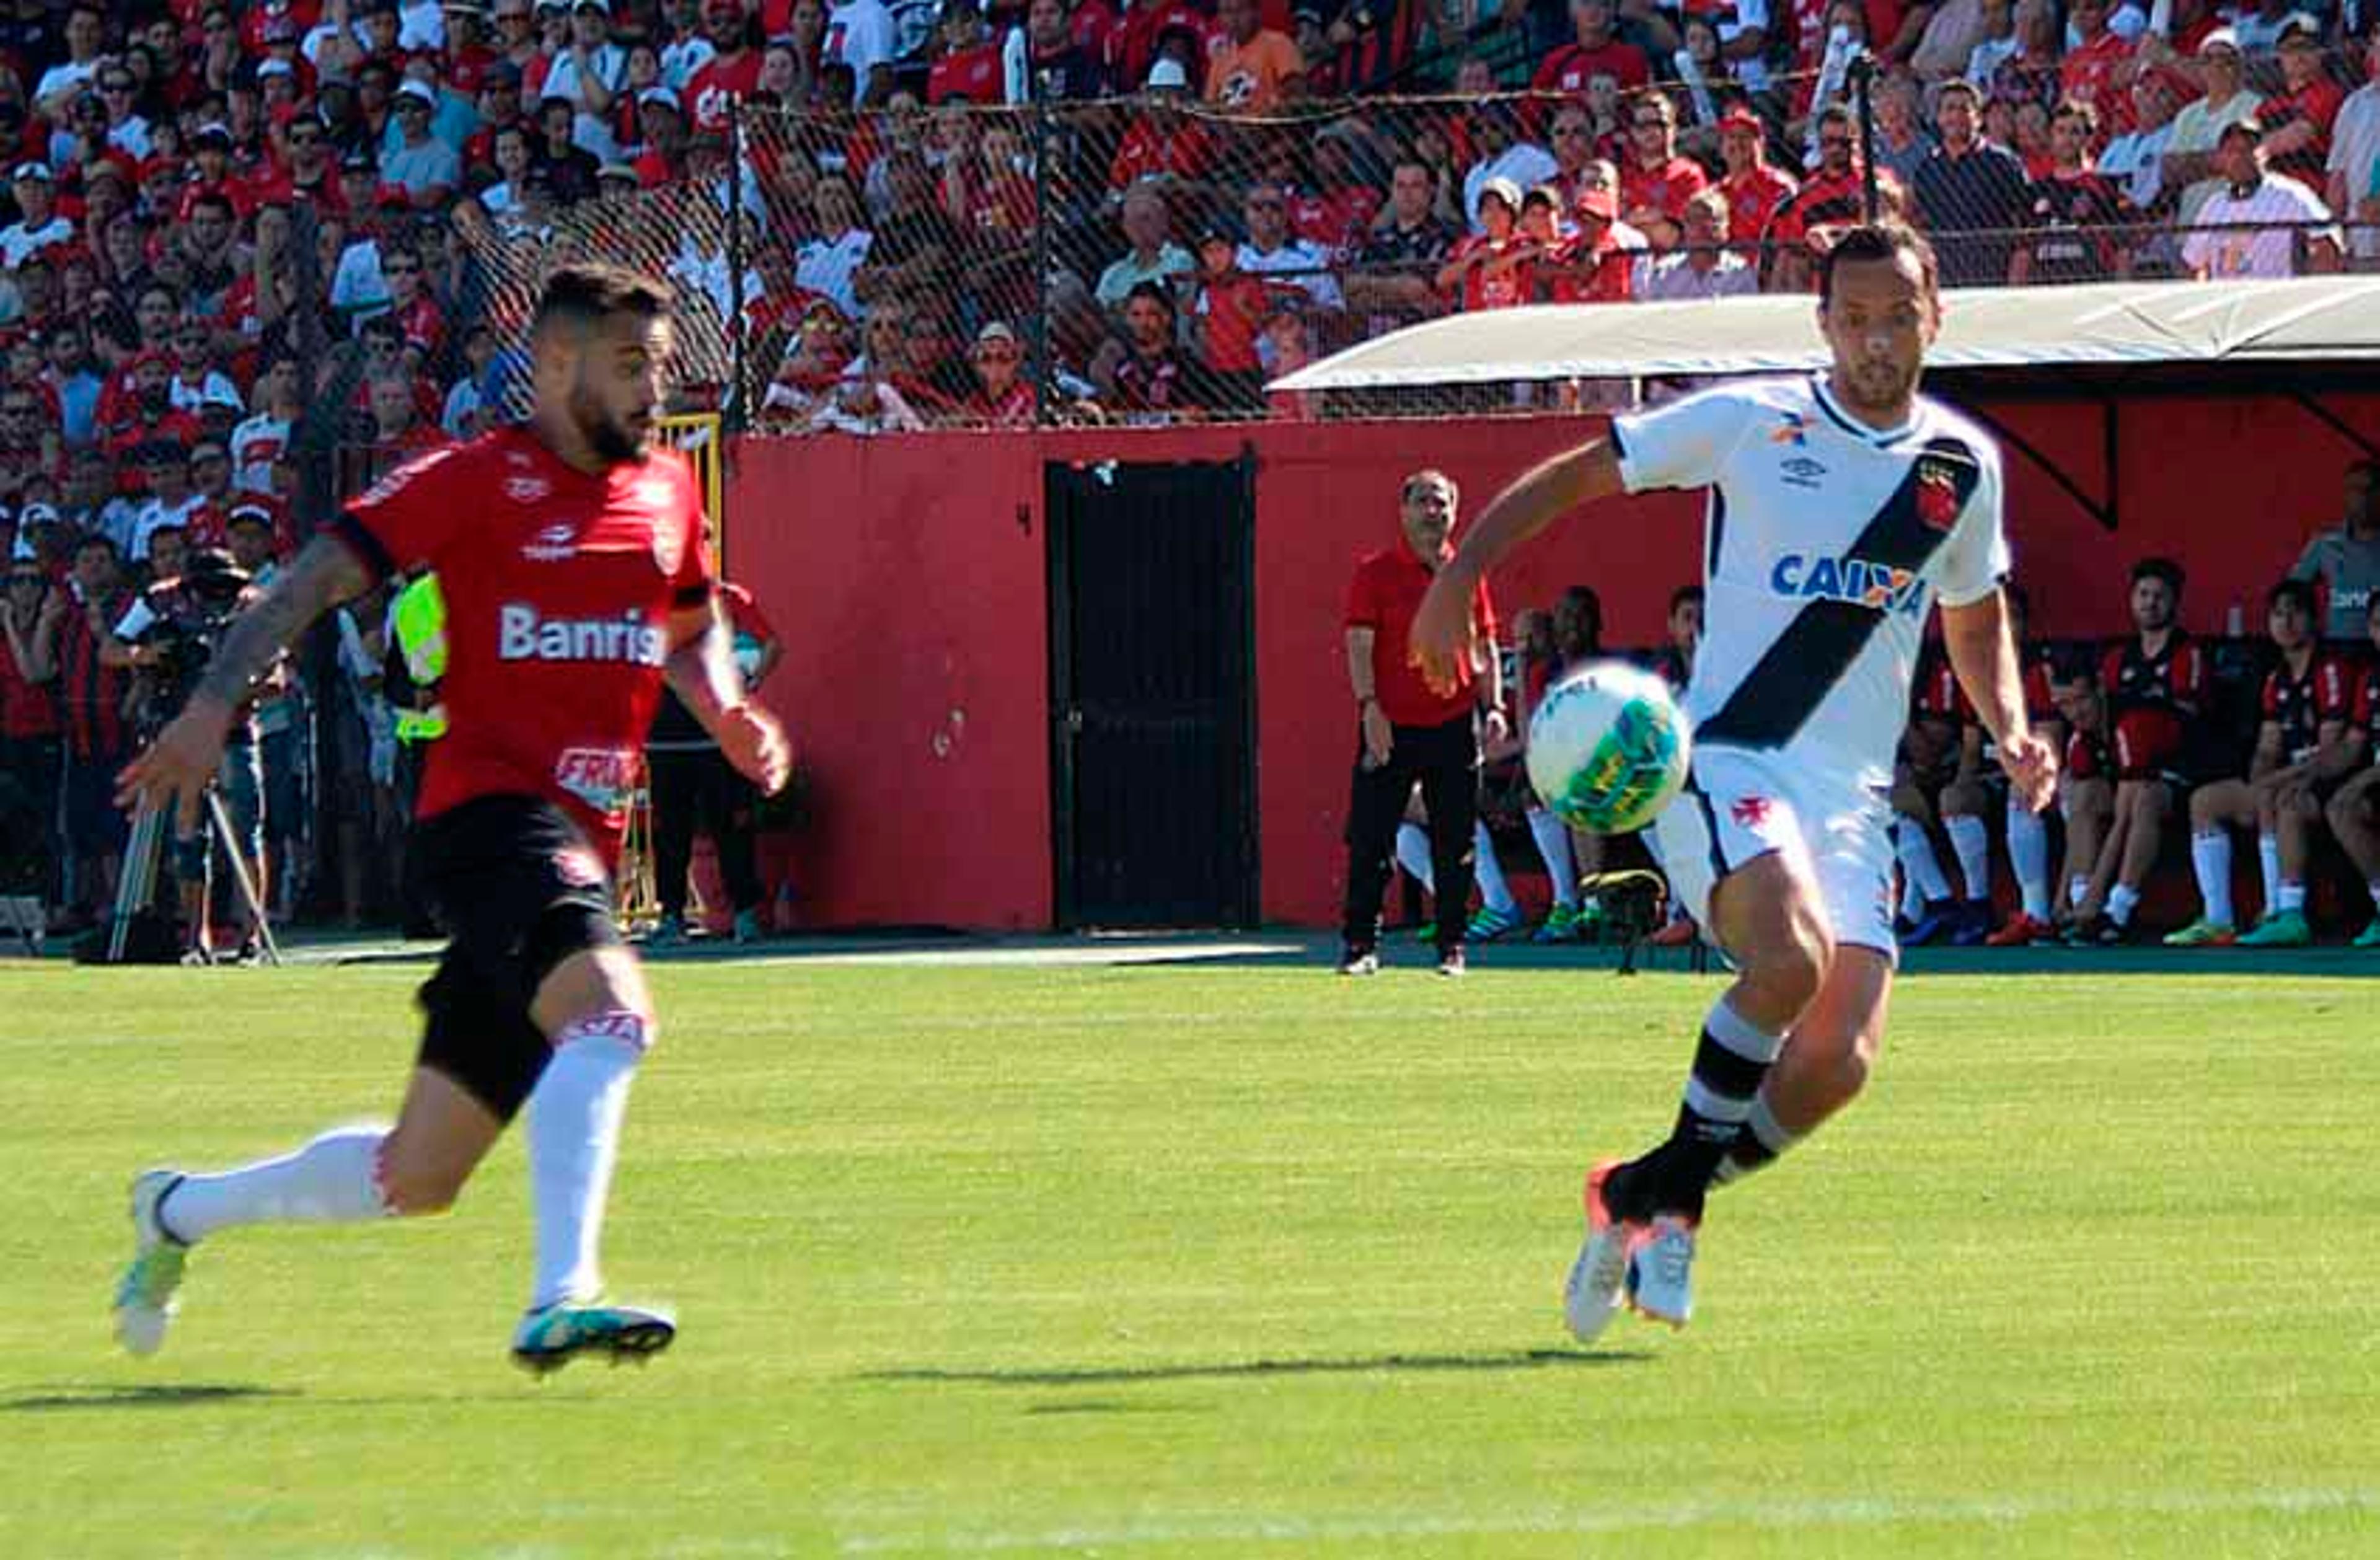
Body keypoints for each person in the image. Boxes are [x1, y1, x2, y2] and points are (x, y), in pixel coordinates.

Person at [110, 264, 793, 1372]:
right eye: (631, 366)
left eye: (658, 365)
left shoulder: (668, 490)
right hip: (488, 818)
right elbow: (304, 584)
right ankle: (559, 1297)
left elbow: (688, 619)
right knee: (613, 1014)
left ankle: (175, 1210)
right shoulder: (474, 481)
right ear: (557, 365)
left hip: (577, 840)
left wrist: (724, 708)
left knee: (414, 1179)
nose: (653, 388)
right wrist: (207, 706)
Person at [1408, 222, 2055, 1338]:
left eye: (1897, 316)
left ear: (1935, 317)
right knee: (1787, 959)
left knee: (1838, 1062)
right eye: (1853, 319)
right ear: (1824, 325)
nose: (1876, 340)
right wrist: (1460, 572)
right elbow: (1582, 475)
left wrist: (2011, 725)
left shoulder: (1960, 468)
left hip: (1851, 793)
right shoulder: (1754, 420)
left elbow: (1975, 611)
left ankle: (1648, 1193)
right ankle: (1672, 1207)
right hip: (1731, 754)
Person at [1339, 468, 1503, 979]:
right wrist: (1370, 707)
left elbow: (1484, 646)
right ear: (1404, 510)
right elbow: (1359, 644)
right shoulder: (1376, 572)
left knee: (1455, 841)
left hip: (1453, 721)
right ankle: (1361, 946)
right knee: (1371, 838)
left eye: (1443, 503)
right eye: (1424, 502)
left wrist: (1493, 707)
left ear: (1455, 512)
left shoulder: (1468, 571)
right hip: (1390, 722)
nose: (1434, 512)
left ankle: (1452, 947)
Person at [2164, 578, 2354, 948]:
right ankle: (2219, 919)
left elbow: (2332, 751)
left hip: (2323, 784)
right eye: (2277, 615)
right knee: (2205, 801)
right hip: (2286, 780)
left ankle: (2276, 911)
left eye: (2295, 613)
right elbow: (2268, 749)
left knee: (2273, 795)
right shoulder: (2275, 679)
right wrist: (2260, 775)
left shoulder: (2330, 670)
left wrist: (2272, 781)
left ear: (2314, 620)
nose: (2286, 623)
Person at [2065, 556, 2206, 944]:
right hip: (2125, 762)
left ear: (2175, 603)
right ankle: (2078, 901)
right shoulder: (2115, 659)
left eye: (2159, 596)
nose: (2150, 603)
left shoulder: (2186, 653)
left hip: (2174, 771)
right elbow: (2103, 717)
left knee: (2141, 798)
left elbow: (2186, 719)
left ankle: (2116, 909)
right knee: (2085, 793)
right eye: (2143, 594)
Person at [646, 576, 780, 945]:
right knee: (670, 833)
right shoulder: (650, 596)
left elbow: (772, 644)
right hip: (665, 741)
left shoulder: (728, 596)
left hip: (720, 741)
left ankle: (745, 915)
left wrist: (747, 685)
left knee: (732, 827)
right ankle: (671, 917)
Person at [2323, 594, 2380, 947]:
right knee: (2340, 808)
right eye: (2377, 623)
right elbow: (2351, 744)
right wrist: (2299, 776)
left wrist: (2360, 780)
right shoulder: (2373, 678)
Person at [2288, 457, 2380, 645]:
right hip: (2337, 650)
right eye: (2355, 489)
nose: (2363, 496)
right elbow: (2290, 594)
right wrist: (2309, 633)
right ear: (2346, 495)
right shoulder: (2324, 543)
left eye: (2370, 489)